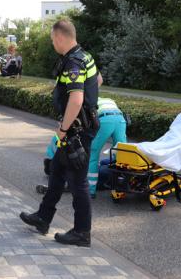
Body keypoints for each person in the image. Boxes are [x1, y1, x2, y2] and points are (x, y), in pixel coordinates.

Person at [20, 19, 99, 247]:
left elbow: (76, 98)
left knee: (78, 182)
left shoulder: (73, 62)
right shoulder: (85, 56)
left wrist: (64, 129)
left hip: (76, 131)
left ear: (60, 37)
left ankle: (82, 232)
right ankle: (43, 218)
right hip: (78, 127)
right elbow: (98, 80)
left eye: (53, 39)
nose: (53, 43)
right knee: (56, 171)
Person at [43, 97, 127, 198]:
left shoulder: (82, 101)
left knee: (93, 155)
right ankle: (122, 184)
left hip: (104, 120)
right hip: (120, 119)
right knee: (122, 153)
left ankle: (90, 191)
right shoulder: (103, 99)